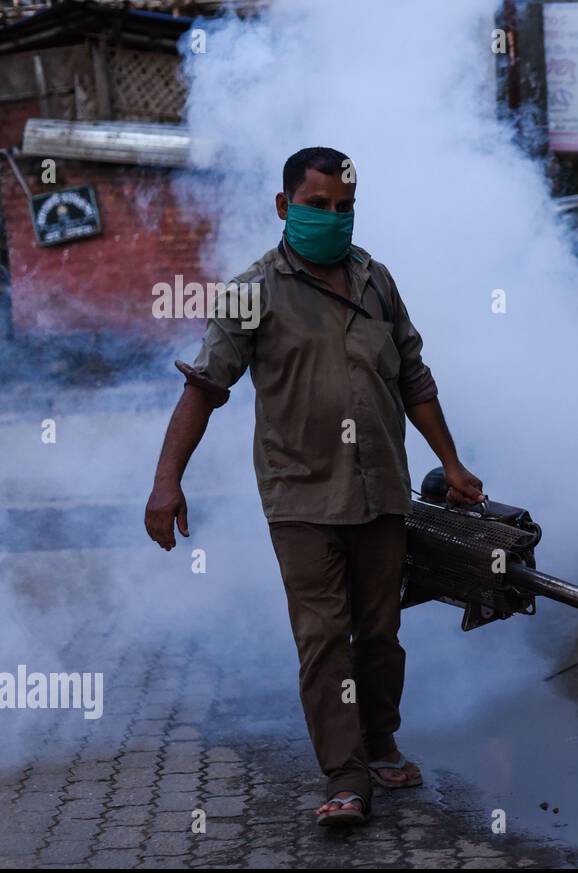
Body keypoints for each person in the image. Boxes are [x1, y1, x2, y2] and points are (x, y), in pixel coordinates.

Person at [144, 147, 484, 827]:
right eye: (317, 206)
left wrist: (451, 462)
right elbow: (205, 388)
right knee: (324, 638)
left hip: (381, 489)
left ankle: (380, 740)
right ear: (283, 207)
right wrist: (165, 482)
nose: (332, 219)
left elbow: (414, 378)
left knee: (380, 632)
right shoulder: (251, 292)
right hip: (299, 495)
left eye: (344, 208)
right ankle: (346, 775)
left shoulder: (377, 282)